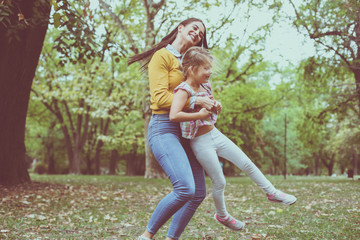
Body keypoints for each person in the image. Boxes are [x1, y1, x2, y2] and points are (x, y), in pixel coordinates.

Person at [169, 46, 297, 231]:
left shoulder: (206, 85)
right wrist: (199, 114)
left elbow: (210, 104)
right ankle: (222, 216)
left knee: (247, 163)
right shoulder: (183, 90)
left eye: (209, 68)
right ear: (192, 69)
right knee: (220, 181)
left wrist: (216, 106)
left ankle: (272, 192)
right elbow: (174, 115)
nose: (210, 72)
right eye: (206, 68)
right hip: (200, 143)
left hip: (215, 134)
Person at [128, 18, 215, 240]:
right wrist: (195, 100)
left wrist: (211, 104)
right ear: (180, 28)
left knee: (198, 193)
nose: (197, 33)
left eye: (201, 33)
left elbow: (201, 94)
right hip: (164, 128)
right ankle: (145, 236)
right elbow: (159, 98)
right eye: (193, 28)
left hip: (188, 131)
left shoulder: (192, 63)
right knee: (186, 188)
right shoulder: (163, 56)